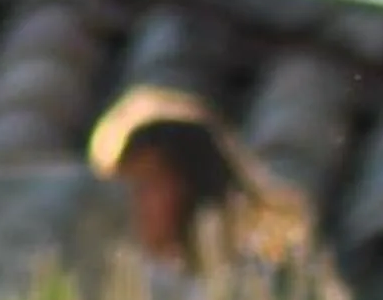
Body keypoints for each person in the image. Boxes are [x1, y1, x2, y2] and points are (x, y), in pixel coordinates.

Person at [89, 85, 307, 275]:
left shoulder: (247, 289)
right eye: (125, 184)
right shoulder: (115, 286)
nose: (131, 199)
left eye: (147, 185)